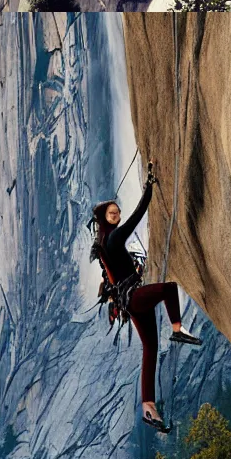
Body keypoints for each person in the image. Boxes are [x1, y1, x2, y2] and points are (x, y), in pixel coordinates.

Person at [90, 166, 200, 432]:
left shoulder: (104, 240)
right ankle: (177, 329)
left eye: (117, 211)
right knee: (168, 288)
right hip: (134, 299)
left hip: (129, 304)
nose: (117, 215)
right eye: (112, 213)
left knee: (150, 349)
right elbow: (137, 216)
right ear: (105, 218)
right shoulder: (114, 238)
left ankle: (148, 407)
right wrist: (149, 187)